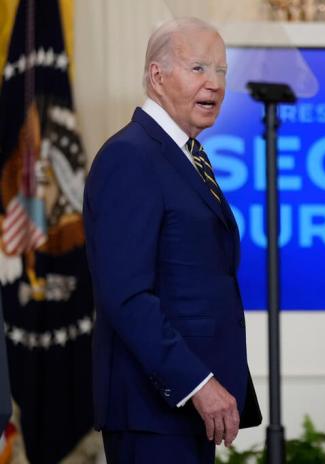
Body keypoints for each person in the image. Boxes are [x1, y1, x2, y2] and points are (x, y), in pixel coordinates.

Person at [83, 17, 261, 463]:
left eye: (222, 71)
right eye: (199, 68)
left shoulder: (187, 155)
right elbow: (125, 295)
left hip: (186, 414)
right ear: (157, 76)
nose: (216, 84)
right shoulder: (131, 156)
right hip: (153, 413)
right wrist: (197, 384)